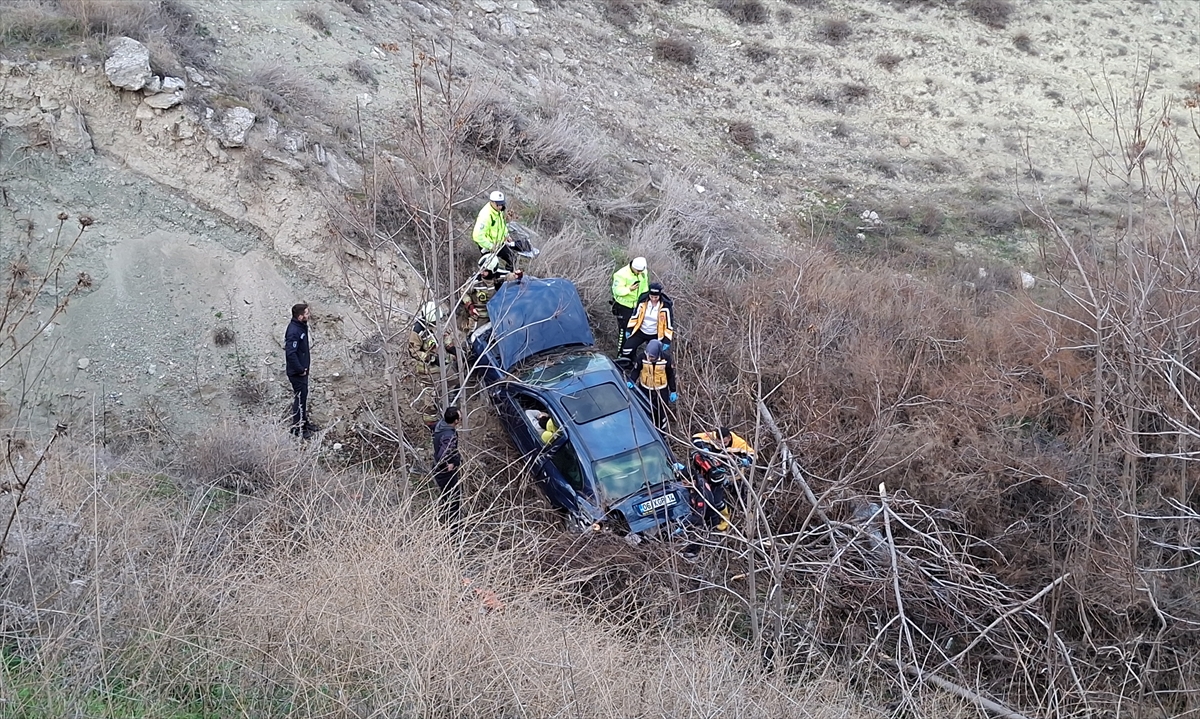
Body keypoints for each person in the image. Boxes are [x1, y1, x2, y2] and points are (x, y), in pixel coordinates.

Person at [690, 427, 755, 531]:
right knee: (716, 500)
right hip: (717, 474)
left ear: (729, 438)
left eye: (724, 442)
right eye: (719, 442)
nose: (722, 445)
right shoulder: (712, 436)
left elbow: (753, 455)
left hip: (735, 475)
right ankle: (725, 520)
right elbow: (696, 438)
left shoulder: (739, 443)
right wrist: (703, 448)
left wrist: (745, 461)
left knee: (741, 498)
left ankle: (750, 521)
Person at [626, 339, 676, 430]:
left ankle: (661, 431)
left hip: (661, 388)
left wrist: (673, 390)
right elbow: (636, 370)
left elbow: (670, 375)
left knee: (662, 411)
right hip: (645, 387)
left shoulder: (666, 359)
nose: (650, 358)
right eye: (648, 355)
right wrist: (631, 381)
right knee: (646, 409)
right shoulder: (642, 357)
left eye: (652, 356)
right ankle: (648, 428)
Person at [460, 254, 521, 325]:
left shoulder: (499, 275)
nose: (481, 272)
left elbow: (510, 276)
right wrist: (470, 306)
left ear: (492, 271)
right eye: (481, 269)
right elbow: (463, 292)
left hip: (497, 315)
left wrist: (518, 275)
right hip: (480, 315)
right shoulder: (475, 281)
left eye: (485, 271)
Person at [621, 282, 674, 360]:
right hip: (640, 331)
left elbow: (669, 324)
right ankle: (630, 363)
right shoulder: (643, 302)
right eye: (651, 296)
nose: (653, 299)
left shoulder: (665, 306)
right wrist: (629, 329)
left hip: (655, 334)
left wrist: (667, 340)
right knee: (626, 350)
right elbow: (635, 316)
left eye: (656, 297)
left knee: (653, 354)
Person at [284, 302, 315, 438]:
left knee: (303, 397)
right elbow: (290, 353)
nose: (309, 315)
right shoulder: (294, 331)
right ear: (300, 316)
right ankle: (297, 428)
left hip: (303, 370)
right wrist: (300, 369)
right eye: (307, 313)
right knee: (299, 399)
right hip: (297, 372)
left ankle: (304, 423)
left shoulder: (301, 327)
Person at [431, 406, 463, 522]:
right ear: (455, 421)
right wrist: (447, 465)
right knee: (453, 501)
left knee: (446, 498)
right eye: (460, 417)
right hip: (445, 473)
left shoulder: (440, 425)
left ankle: (443, 522)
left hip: (438, 470)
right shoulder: (449, 436)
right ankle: (453, 531)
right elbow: (441, 456)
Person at [473, 190, 516, 271]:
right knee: (489, 268)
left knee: (512, 258)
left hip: (498, 244)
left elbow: (501, 225)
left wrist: (506, 235)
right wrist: (490, 246)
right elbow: (477, 236)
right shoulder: (485, 215)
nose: (500, 207)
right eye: (498, 204)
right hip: (488, 246)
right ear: (492, 202)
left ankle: (508, 278)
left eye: (502, 204)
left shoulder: (498, 211)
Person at [610, 256, 648, 347]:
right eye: (638, 271)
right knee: (624, 332)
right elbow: (617, 291)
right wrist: (629, 289)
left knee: (635, 331)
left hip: (638, 306)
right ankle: (621, 354)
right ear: (633, 267)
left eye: (641, 271)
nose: (640, 273)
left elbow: (645, 286)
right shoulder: (621, 274)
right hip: (624, 307)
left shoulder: (643, 272)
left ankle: (631, 353)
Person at [410, 301, 456, 370]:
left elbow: (445, 334)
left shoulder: (437, 320)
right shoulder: (417, 332)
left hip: (439, 352)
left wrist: (451, 347)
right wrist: (432, 358)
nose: (436, 324)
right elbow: (414, 352)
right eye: (434, 322)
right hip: (427, 361)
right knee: (444, 370)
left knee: (453, 360)